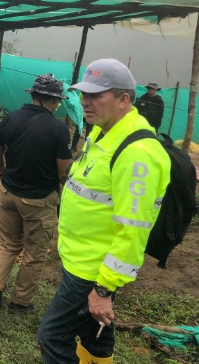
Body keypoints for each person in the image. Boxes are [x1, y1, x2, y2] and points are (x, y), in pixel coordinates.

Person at [37, 59, 171, 364]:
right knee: (94, 331)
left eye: (96, 95)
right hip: (80, 256)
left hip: (93, 269)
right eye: (84, 94)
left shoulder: (137, 153)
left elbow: (132, 229)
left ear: (124, 99)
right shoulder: (103, 131)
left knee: (52, 335)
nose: (85, 101)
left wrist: (104, 288)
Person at [0, 74, 73, 313]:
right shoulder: (58, 129)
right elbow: (64, 171)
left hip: (8, 193)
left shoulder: (10, 118)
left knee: (8, 244)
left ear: (33, 95)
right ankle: (20, 303)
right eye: (57, 101)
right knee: (34, 253)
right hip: (38, 200)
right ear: (52, 100)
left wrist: (1, 173)